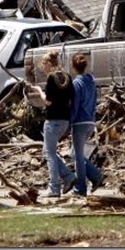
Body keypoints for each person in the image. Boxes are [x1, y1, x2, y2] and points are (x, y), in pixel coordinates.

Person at [29, 50, 76, 198]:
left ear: (49, 64)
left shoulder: (51, 79)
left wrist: (38, 91)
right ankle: (68, 177)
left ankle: (54, 187)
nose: (43, 68)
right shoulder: (67, 78)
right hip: (64, 120)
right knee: (50, 152)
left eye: (44, 65)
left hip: (52, 119)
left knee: (49, 154)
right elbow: (70, 101)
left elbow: (48, 101)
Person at [70, 53, 103, 196]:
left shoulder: (77, 83)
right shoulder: (91, 81)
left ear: (73, 67)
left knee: (77, 156)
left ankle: (82, 186)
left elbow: (75, 105)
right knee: (75, 154)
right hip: (90, 120)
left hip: (80, 122)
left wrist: (70, 121)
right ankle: (94, 176)